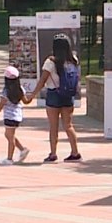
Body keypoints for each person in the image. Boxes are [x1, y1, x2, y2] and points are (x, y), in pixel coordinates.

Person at [26, 33, 81, 162]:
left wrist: (32, 95)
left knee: (53, 126)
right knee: (68, 125)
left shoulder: (50, 62)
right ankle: (75, 152)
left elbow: (42, 81)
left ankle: (53, 154)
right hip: (68, 96)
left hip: (53, 95)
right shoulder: (73, 59)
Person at [0, 65, 31, 165]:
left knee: (10, 137)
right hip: (17, 115)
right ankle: (22, 149)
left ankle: (9, 159)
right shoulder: (20, 89)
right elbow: (26, 101)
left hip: (9, 116)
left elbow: (0, 105)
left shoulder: (6, 91)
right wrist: (32, 96)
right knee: (9, 135)